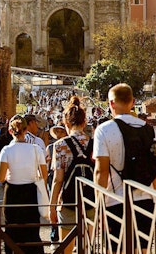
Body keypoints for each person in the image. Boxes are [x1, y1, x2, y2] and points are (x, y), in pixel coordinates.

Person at [93, 83, 156, 254]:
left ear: (111, 104)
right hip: (145, 199)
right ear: (133, 102)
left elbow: (101, 171)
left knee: (118, 249)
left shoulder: (104, 130)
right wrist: (154, 195)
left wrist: (98, 203)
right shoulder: (150, 130)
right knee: (143, 250)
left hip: (116, 199)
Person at [0, 115, 48, 254]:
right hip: (30, 191)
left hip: (12, 192)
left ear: (10, 131)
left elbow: (0, 178)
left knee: (11, 228)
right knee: (31, 228)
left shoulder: (6, 150)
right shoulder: (36, 149)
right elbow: (44, 174)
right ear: (26, 130)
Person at [49, 97, 92, 254]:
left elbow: (58, 179)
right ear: (84, 122)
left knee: (65, 247)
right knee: (86, 246)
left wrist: (52, 205)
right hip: (90, 200)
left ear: (66, 123)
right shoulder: (94, 143)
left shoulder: (60, 145)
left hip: (68, 200)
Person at [46, 124, 67, 244]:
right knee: (54, 202)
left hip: (62, 177)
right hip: (52, 177)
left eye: (61, 131)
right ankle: (54, 235)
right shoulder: (50, 147)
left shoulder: (63, 145)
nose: (59, 134)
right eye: (57, 132)